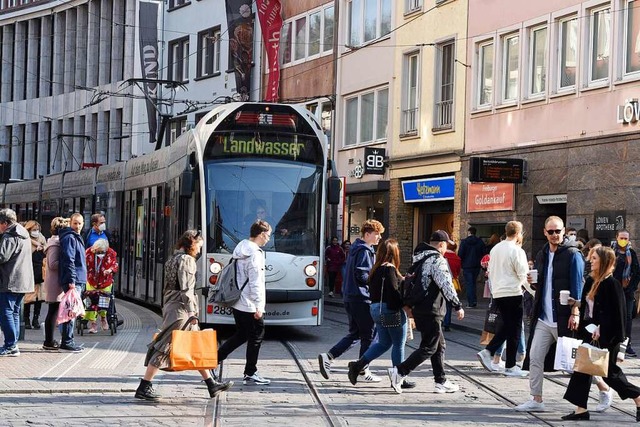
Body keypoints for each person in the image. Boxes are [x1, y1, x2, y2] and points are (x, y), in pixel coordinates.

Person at [135, 230, 232, 400]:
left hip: (173, 305)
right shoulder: (187, 261)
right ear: (192, 244)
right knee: (165, 346)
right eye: (199, 246)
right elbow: (186, 289)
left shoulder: (173, 259)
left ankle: (211, 384)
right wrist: (192, 311)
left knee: (195, 346)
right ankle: (144, 386)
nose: (200, 250)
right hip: (180, 310)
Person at [562, 246, 640, 421]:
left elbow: (618, 315)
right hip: (589, 333)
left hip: (607, 336)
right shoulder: (591, 281)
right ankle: (581, 410)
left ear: (605, 262)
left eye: (595, 258)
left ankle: (638, 397)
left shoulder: (612, 284)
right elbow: (590, 310)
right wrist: (576, 307)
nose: (591, 261)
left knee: (610, 374)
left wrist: (602, 328)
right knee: (582, 370)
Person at [516, 216, 584, 412]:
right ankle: (536, 399)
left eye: (558, 231)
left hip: (565, 316)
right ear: (544, 232)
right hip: (544, 318)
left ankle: (603, 387)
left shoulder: (573, 254)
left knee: (575, 363)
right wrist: (533, 281)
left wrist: (576, 311)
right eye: (551, 231)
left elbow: (578, 284)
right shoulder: (542, 253)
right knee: (535, 357)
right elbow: (543, 284)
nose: (555, 235)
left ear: (564, 231)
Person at [388, 230, 465, 394]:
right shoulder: (437, 260)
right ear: (442, 245)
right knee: (429, 347)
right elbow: (446, 284)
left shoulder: (419, 258)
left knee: (439, 345)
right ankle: (400, 371)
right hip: (432, 309)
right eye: (446, 246)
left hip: (421, 308)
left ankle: (440, 381)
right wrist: (457, 305)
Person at [318, 220, 384, 383]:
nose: (379, 238)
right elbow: (361, 275)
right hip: (362, 298)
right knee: (369, 335)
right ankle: (363, 370)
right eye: (377, 234)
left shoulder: (356, 248)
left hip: (351, 296)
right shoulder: (365, 251)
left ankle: (329, 356)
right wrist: (375, 282)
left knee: (355, 333)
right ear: (367, 234)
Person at [347, 238, 414, 388]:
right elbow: (393, 292)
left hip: (375, 309)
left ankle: (358, 366)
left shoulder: (376, 269)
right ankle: (399, 377)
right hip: (390, 309)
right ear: (394, 253)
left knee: (384, 343)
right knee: (399, 344)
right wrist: (405, 307)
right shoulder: (389, 268)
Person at [216, 220, 272, 385]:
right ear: (261, 234)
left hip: (238, 300)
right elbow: (256, 282)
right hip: (249, 303)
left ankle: (214, 360)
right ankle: (250, 372)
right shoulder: (255, 253)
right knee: (257, 335)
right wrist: (259, 306)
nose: (268, 239)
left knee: (241, 334)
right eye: (268, 235)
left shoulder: (240, 249)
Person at [477, 221, 532, 377]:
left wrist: (495, 290)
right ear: (519, 233)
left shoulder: (495, 249)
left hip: (499, 292)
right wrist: (534, 293)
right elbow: (523, 275)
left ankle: (490, 352)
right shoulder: (517, 250)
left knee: (508, 326)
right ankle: (510, 365)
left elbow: (491, 270)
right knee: (514, 328)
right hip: (513, 292)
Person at [0, 208, 35, 356]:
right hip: (23, 280)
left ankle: (10, 345)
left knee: (6, 312)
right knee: (14, 312)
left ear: (4, 223)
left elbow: (2, 256)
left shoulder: (10, 236)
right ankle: (13, 344)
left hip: (10, 280)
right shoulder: (23, 233)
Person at [57, 212, 87, 352]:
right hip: (74, 280)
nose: (78, 226)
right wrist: (72, 280)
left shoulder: (75, 237)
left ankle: (67, 339)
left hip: (77, 278)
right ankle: (67, 341)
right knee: (71, 311)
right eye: (75, 223)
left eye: (80, 223)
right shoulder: (70, 238)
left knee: (71, 310)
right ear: (70, 223)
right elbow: (70, 260)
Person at [612, 229, 640, 358]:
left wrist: (631, 288)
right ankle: (614, 343)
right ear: (616, 238)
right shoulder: (612, 253)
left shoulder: (631, 253)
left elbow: (636, 272)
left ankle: (626, 345)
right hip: (614, 290)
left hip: (628, 291)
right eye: (621, 238)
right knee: (614, 315)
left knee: (628, 318)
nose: (624, 240)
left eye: (626, 238)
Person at [42, 217, 68, 351]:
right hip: (54, 283)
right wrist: (67, 263)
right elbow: (52, 264)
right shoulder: (54, 244)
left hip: (55, 282)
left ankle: (49, 340)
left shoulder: (55, 242)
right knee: (53, 311)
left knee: (54, 311)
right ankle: (49, 341)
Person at [85, 239, 118, 333]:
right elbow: (83, 264)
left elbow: (114, 264)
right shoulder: (88, 252)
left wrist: (110, 270)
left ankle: (104, 319)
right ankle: (93, 324)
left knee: (103, 302)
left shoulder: (110, 253)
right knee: (90, 302)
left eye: (102, 252)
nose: (100, 253)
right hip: (91, 280)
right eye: (98, 252)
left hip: (105, 281)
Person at [23, 220, 46, 330]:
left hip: (40, 272)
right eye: (34, 230)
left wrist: (42, 248)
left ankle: (35, 319)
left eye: (37, 230)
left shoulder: (42, 238)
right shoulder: (25, 240)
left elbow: (46, 251)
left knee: (39, 298)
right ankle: (26, 319)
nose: (36, 232)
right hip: (29, 271)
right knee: (28, 298)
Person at [458, 226, 486, 308]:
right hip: (476, 266)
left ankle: (471, 302)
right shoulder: (480, 242)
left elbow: (460, 254)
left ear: (469, 232)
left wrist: (461, 263)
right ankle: (474, 301)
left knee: (469, 284)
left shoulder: (464, 242)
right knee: (473, 283)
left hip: (467, 266)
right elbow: (483, 253)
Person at [443, 241, 461, 331]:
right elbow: (457, 272)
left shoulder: (442, 255)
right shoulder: (457, 258)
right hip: (451, 282)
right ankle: (447, 323)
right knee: (448, 303)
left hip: (441, 282)